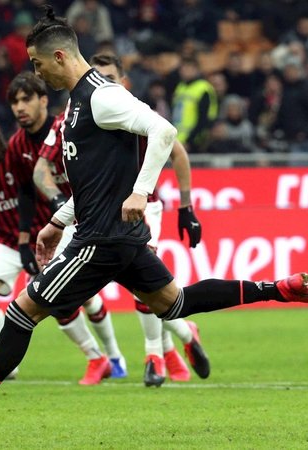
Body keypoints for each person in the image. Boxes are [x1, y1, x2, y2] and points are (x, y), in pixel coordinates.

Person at [0, 7, 308, 438]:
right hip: (116, 235)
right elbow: (97, 180)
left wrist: (141, 190)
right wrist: (58, 220)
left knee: (22, 311)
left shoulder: (102, 96)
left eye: (37, 63)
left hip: (101, 240)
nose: (36, 73)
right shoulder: (78, 102)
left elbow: (163, 131)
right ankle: (281, 289)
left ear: (59, 57)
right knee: (175, 303)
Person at [0, 105, 111, 384]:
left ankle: (96, 356)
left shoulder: (14, 159)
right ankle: (4, 362)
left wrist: (32, 241)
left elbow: (33, 192)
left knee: (58, 300)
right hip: (6, 241)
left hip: (41, 238)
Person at [87, 53, 209, 386]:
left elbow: (177, 150)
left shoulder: (137, 113)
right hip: (98, 212)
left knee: (145, 283)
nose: (103, 85)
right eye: (97, 78)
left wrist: (186, 207)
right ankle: (184, 333)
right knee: (149, 290)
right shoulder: (83, 116)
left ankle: (153, 354)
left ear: (123, 81)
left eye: (110, 78)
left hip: (144, 207)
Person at [6, 71, 126, 381]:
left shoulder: (74, 124)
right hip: (51, 225)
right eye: (14, 101)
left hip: (81, 218)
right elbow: (25, 191)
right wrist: (22, 241)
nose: (20, 107)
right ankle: (102, 357)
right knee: (67, 295)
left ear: (43, 100)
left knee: (62, 293)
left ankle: (109, 357)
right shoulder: (17, 145)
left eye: (26, 99)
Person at [172, 56, 218, 153]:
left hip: (194, 142)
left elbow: (204, 119)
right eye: (183, 68)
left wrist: (190, 141)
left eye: (189, 68)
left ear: (196, 70)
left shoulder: (203, 89)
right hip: (178, 139)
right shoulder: (180, 87)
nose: (185, 71)